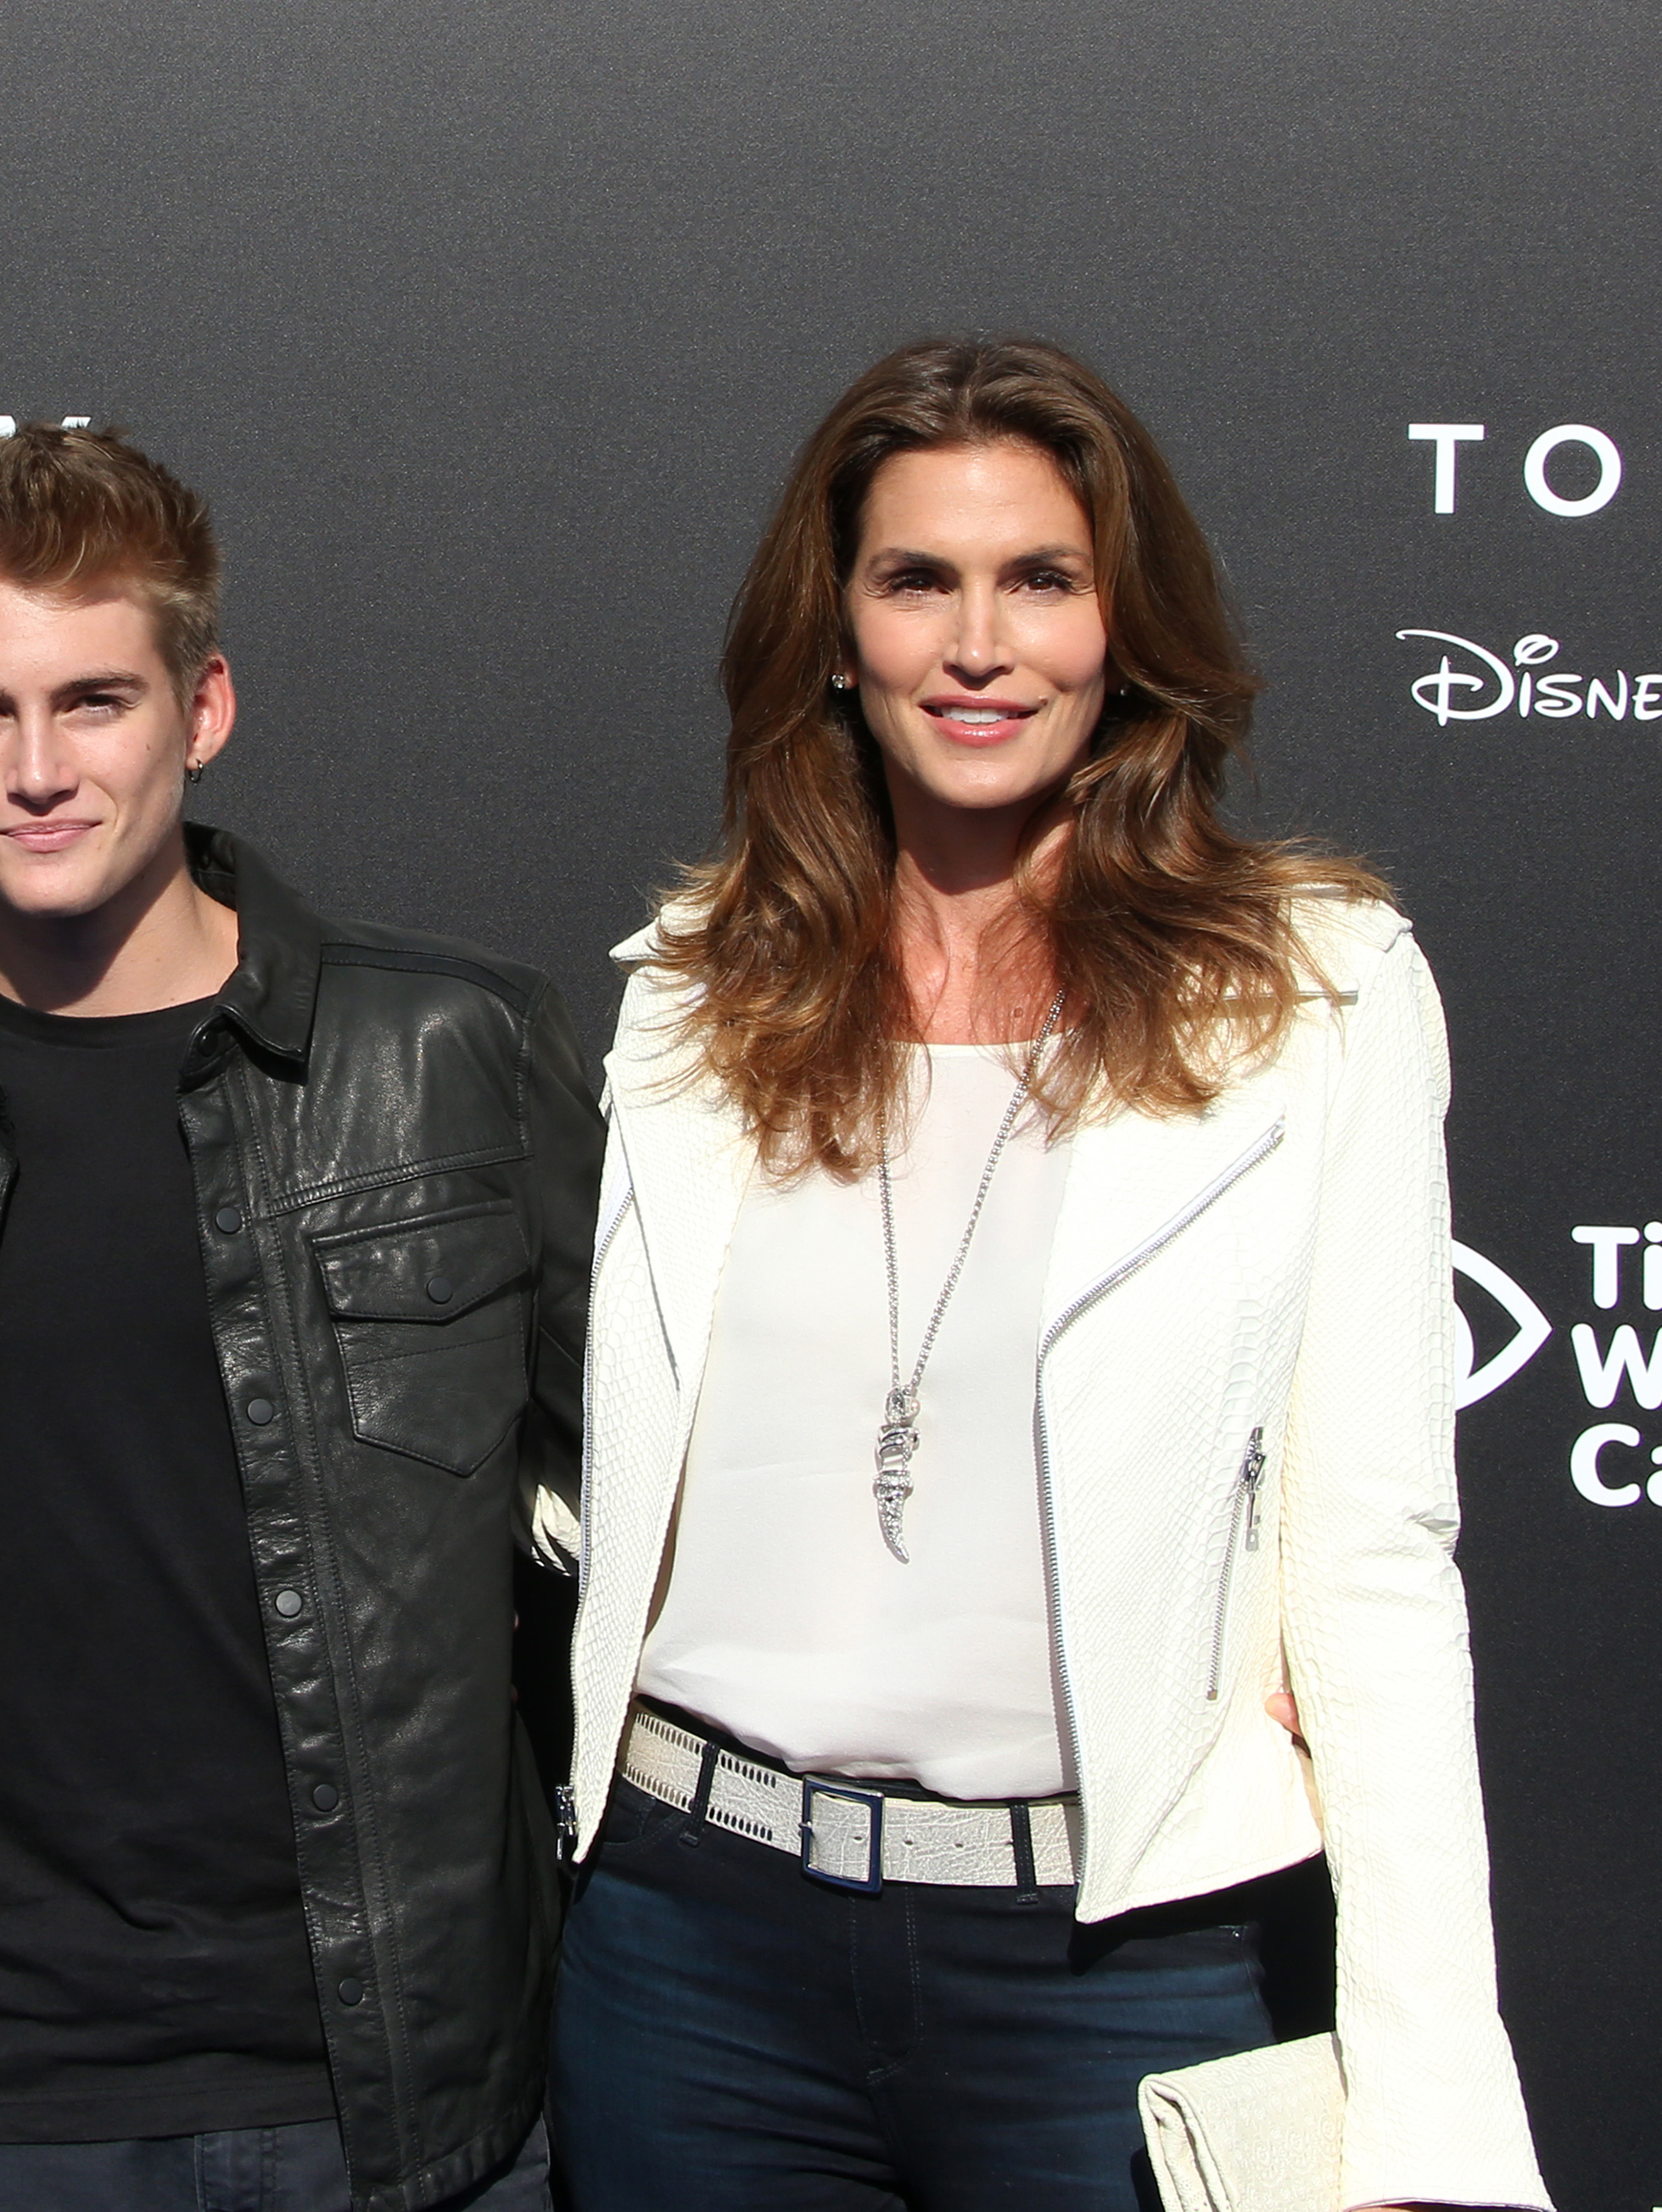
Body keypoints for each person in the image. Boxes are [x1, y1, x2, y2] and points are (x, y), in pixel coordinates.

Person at [547, 338, 1548, 2211]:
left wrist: (1431, 2116)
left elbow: (1378, 1561)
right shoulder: (698, 990)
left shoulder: (1312, 997)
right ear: (837, 633)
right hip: (693, 1955)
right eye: (918, 578)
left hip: (1125, 1962)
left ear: (1125, 628)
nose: (979, 642)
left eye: (1043, 579)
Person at [0, 425, 589, 2212]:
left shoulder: (451, 1056)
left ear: (203, 707)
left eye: (97, 701)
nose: (40, 769)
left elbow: (651, 1537)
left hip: (399, 2087)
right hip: (4, 2088)